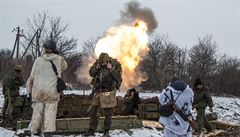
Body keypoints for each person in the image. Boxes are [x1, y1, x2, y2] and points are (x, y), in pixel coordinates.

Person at [26, 39, 67, 137]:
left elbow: (31, 78)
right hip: (51, 92)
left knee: (37, 113)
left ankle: (35, 131)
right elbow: (65, 66)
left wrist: (29, 92)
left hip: (38, 91)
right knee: (50, 114)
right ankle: (48, 132)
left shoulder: (38, 60)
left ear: (45, 49)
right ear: (54, 48)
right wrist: (58, 55)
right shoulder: (59, 59)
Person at [85, 53, 122, 137]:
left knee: (108, 114)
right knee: (93, 112)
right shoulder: (97, 63)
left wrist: (111, 69)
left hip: (108, 91)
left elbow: (118, 77)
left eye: (103, 63)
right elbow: (91, 73)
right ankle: (91, 131)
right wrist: (96, 68)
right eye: (101, 63)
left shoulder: (115, 64)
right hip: (98, 91)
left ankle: (106, 132)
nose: (102, 64)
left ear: (107, 61)